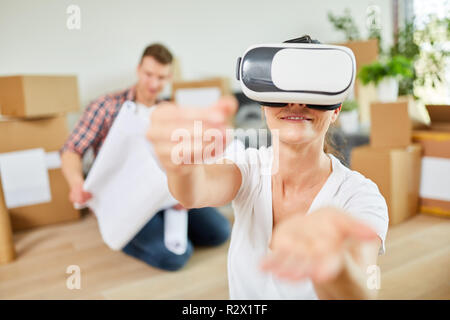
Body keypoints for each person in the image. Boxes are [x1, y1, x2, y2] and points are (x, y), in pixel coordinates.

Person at [147, 49, 389, 299]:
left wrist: (336, 268)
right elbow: (192, 193)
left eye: (311, 90)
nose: (296, 102)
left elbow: (365, 287)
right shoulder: (249, 166)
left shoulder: (360, 196)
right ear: (263, 104)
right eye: (283, 89)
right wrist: (181, 166)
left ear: (336, 109)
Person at [61, 43, 231, 271]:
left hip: (167, 192)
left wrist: (188, 190)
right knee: (176, 258)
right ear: (138, 69)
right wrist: (75, 183)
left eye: (161, 77)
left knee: (220, 232)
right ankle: (131, 234)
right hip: (125, 196)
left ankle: (162, 221)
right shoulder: (106, 106)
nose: (153, 83)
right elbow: (72, 150)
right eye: (148, 74)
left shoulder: (169, 110)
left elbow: (184, 157)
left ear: (169, 77)